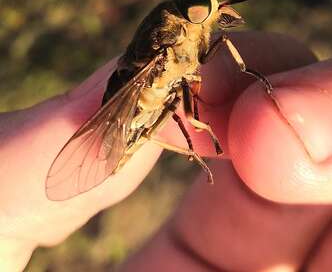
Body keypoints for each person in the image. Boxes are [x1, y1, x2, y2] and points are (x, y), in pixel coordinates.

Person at [1, 31, 331, 271]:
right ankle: (191, 141)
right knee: (176, 112)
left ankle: (193, 140)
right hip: (133, 107)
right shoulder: (170, 48)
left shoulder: (191, 37)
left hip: (154, 97)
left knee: (183, 104)